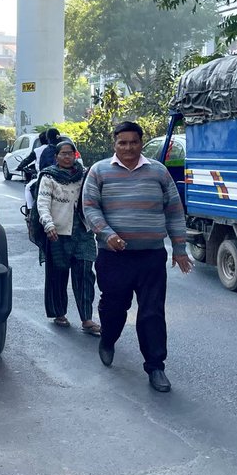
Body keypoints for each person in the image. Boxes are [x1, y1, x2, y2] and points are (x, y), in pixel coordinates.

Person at [82, 120, 192, 392]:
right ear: (114, 144)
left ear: (141, 143)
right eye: (123, 142)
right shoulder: (99, 171)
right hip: (113, 257)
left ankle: (156, 367)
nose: (128, 147)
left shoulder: (158, 172)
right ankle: (108, 339)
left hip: (151, 257)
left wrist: (179, 248)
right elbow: (90, 208)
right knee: (114, 308)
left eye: (133, 142)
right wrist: (107, 234)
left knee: (152, 313)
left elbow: (175, 211)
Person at [35, 138, 99, 335]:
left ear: (75, 155)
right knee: (58, 275)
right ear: (56, 157)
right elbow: (42, 203)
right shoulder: (48, 177)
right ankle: (59, 312)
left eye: (70, 153)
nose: (67, 157)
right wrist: (48, 224)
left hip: (83, 233)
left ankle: (87, 319)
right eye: (63, 154)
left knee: (85, 275)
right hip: (57, 233)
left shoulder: (84, 175)